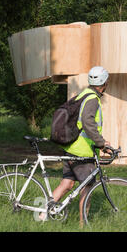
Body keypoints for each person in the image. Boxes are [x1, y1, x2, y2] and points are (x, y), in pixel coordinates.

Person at [43, 66, 112, 225]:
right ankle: (83, 225)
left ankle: (43, 215)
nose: (107, 83)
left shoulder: (83, 94)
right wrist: (101, 144)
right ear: (104, 83)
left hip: (70, 149)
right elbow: (88, 123)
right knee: (87, 188)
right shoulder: (92, 99)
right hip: (82, 152)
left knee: (66, 184)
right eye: (107, 81)